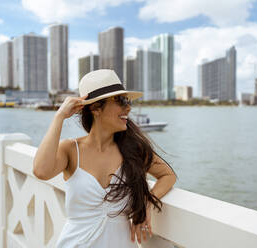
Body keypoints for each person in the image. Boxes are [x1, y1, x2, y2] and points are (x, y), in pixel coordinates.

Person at [33, 69, 176, 247]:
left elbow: (168, 175)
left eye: (128, 100)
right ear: (95, 108)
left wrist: (147, 201)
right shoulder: (70, 149)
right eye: (121, 101)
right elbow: (41, 171)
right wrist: (59, 117)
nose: (128, 107)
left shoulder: (134, 150)